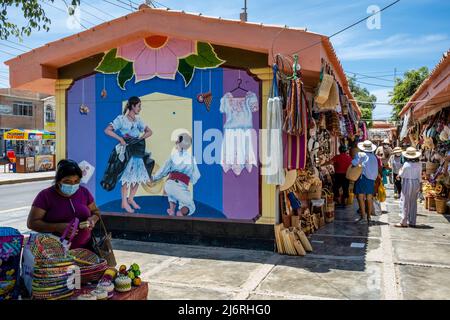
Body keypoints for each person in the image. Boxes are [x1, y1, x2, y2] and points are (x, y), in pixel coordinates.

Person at [27, 159, 101, 249]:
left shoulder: (84, 192)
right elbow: (32, 223)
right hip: (54, 252)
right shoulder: (45, 196)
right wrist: (57, 227)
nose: (73, 185)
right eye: (67, 182)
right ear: (58, 181)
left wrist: (92, 219)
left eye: (76, 181)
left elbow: (96, 212)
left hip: (85, 250)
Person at [103, 96, 153, 213]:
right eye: (139, 106)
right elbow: (107, 130)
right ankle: (124, 202)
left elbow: (150, 131)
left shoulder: (138, 120)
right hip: (126, 151)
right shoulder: (121, 119)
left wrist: (140, 138)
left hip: (137, 150)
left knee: (137, 177)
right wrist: (120, 138)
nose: (140, 109)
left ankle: (131, 199)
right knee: (126, 178)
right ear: (132, 106)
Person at [152, 133, 200, 217]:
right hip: (179, 185)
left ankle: (172, 210)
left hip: (169, 184)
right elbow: (196, 176)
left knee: (173, 196)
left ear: (181, 144)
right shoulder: (191, 158)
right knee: (190, 206)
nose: (175, 144)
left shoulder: (173, 156)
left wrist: (154, 178)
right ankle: (179, 214)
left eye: (177, 142)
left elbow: (163, 170)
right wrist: (190, 179)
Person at [351, 140, 379, 224]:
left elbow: (354, 163)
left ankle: (363, 217)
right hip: (371, 179)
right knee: (369, 197)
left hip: (362, 178)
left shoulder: (360, 154)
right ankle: (369, 217)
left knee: (360, 197)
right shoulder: (374, 157)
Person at [395, 147, 422, 228]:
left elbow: (401, 174)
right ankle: (412, 221)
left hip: (407, 182)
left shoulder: (406, 165)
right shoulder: (419, 165)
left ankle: (403, 221)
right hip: (416, 183)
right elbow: (420, 177)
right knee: (413, 202)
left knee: (405, 201)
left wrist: (399, 173)